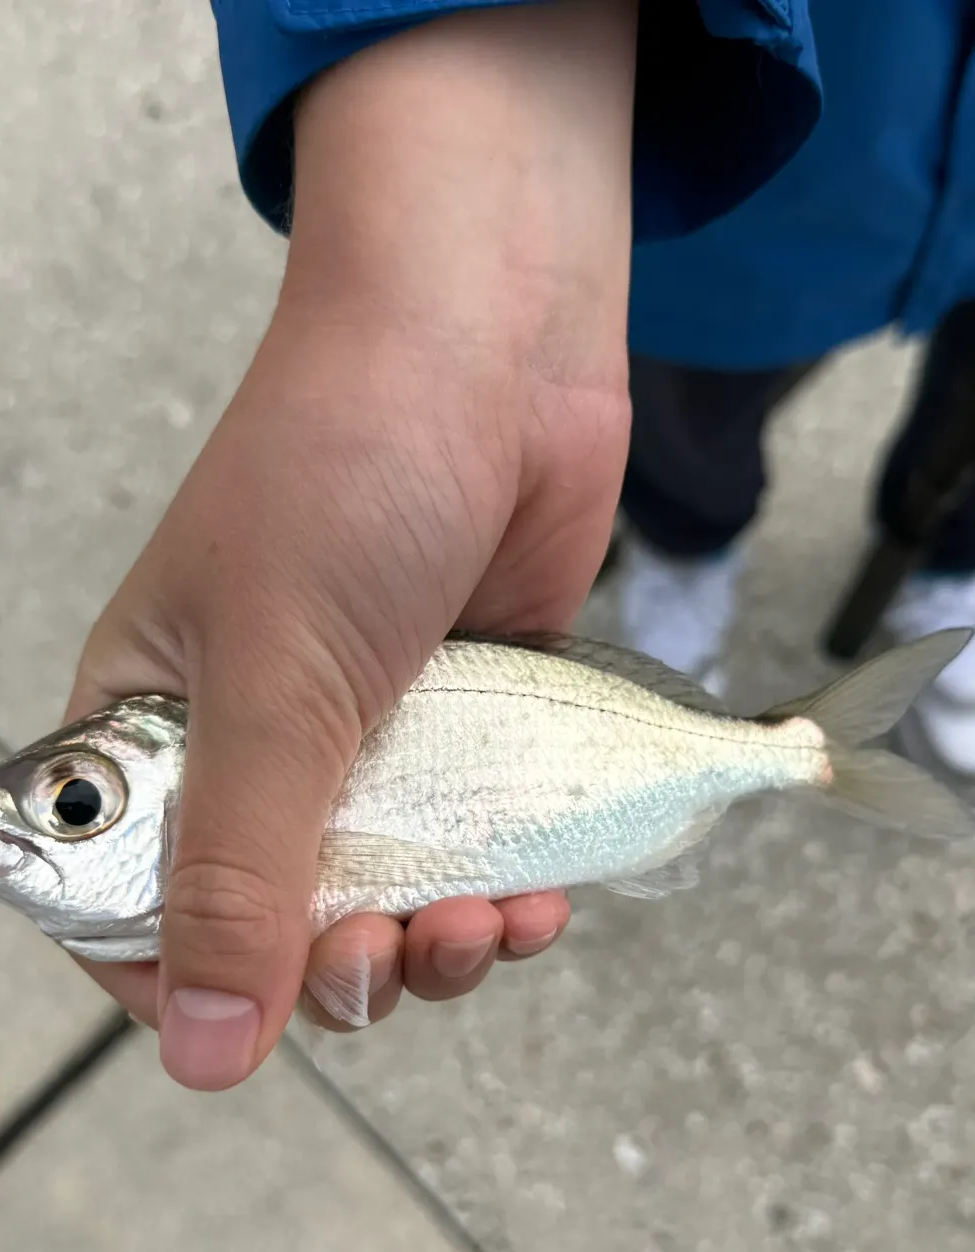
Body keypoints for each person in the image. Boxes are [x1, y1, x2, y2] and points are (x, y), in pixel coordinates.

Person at [64, 0, 975, 1093]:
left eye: (80, 804)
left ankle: (948, 570)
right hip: (771, 162)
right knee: (688, 426)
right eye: (74, 806)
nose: (71, 814)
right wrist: (474, 246)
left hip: (798, 167)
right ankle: (692, 554)